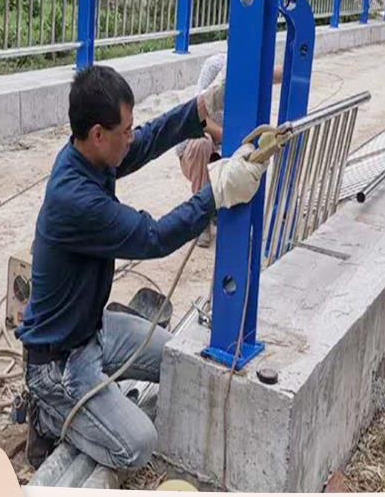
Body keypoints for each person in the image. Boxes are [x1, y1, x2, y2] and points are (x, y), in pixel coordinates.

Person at [16, 64, 268, 471]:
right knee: (137, 445)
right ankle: (47, 414)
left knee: (179, 361)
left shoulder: (89, 155)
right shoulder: (76, 199)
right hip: (56, 365)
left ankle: (97, 398)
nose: (132, 136)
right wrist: (216, 193)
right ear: (98, 134)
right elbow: (155, 237)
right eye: (125, 130)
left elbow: (148, 139)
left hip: (92, 332)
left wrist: (201, 107)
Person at [175, 53, 282, 246]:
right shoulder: (215, 67)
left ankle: (225, 211)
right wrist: (226, 135)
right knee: (203, 143)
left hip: (225, 147)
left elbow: (281, 73)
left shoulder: (252, 70)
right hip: (200, 147)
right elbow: (198, 117)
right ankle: (202, 219)